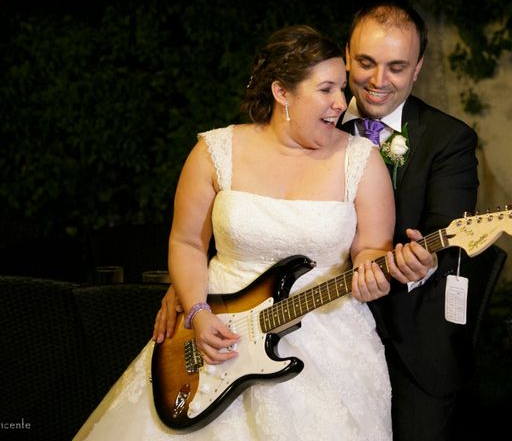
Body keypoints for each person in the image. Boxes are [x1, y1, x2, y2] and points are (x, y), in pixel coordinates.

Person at [74, 24, 422, 440]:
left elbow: (371, 248)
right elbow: (186, 242)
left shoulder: (362, 161)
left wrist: (375, 269)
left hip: (330, 338)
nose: (341, 103)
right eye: (326, 89)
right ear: (282, 93)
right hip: (214, 331)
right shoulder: (214, 152)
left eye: (341, 88)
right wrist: (197, 311)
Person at [341, 2, 479, 441]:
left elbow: (449, 232)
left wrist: (423, 265)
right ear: (346, 56)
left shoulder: (449, 139)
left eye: (396, 67)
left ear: (417, 69)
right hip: (317, 324)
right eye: (366, 62)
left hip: (409, 336)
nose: (379, 81)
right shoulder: (314, 127)